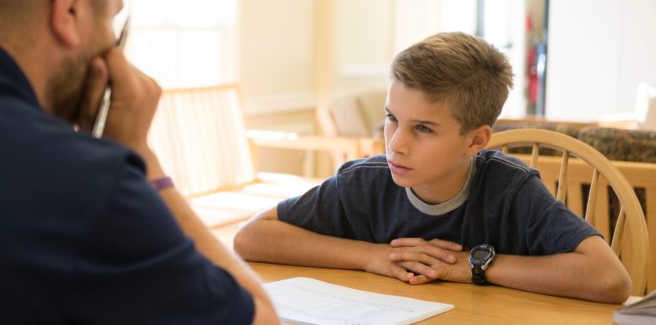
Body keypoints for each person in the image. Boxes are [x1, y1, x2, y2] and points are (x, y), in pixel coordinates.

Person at [0, 0, 278, 323]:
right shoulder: (87, 185)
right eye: (113, 18)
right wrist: (141, 156)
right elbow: (262, 318)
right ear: (71, 6)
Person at [234, 32, 632, 304]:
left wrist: (473, 264)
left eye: (422, 128)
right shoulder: (365, 182)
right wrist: (370, 256)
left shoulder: (511, 190)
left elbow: (609, 279)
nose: (396, 143)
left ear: (476, 140)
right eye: (392, 118)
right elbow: (251, 238)